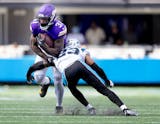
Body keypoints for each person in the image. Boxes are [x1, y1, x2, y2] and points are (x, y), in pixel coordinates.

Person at [27, 39, 138, 116]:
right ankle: (124, 109)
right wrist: (106, 80)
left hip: (67, 71)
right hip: (79, 65)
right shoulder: (81, 50)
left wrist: (29, 73)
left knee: (72, 88)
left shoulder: (57, 55)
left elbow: (37, 65)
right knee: (103, 89)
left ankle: (90, 108)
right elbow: (96, 67)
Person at [29, 3, 67, 113]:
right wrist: (45, 57)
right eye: (40, 19)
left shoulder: (59, 29)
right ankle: (46, 82)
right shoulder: (35, 25)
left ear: (52, 18)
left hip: (58, 54)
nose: (42, 22)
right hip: (43, 52)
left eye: (45, 19)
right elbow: (33, 45)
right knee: (37, 77)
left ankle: (59, 105)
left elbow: (57, 51)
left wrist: (45, 48)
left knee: (58, 79)